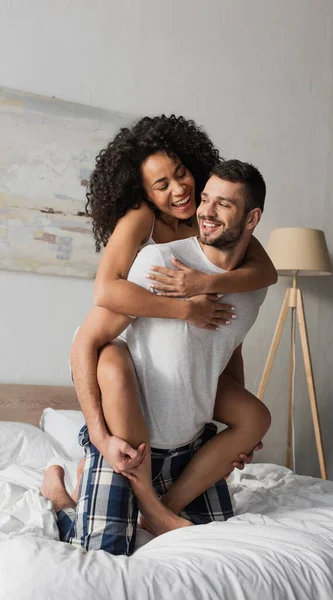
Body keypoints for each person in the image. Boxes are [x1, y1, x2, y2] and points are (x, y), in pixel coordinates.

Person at [41, 159, 272, 555]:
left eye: (223, 205)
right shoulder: (160, 264)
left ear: (252, 219)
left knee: (215, 550)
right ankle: (61, 494)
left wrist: (239, 434)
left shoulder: (252, 284)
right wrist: (99, 435)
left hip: (191, 443)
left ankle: (159, 509)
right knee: (101, 553)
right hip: (130, 442)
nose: (205, 211)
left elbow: (229, 347)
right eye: (205, 200)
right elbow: (89, 340)